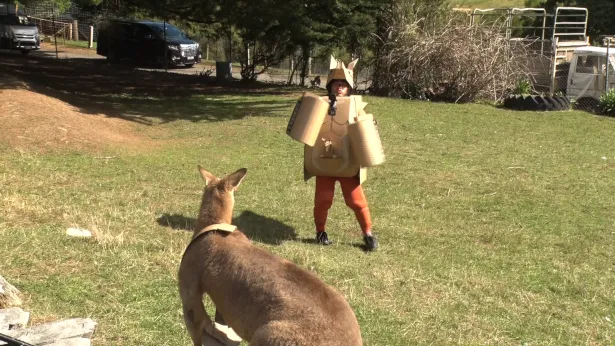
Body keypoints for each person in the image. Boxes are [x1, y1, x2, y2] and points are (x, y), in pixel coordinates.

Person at [303, 56, 379, 251]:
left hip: (348, 163)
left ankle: (368, 234)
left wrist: (369, 126)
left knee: (356, 200)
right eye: (336, 84)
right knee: (323, 200)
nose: (339, 87)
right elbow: (306, 128)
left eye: (343, 85)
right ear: (329, 86)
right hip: (324, 161)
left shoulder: (356, 106)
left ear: (349, 88)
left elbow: (366, 130)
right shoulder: (319, 105)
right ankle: (320, 232)